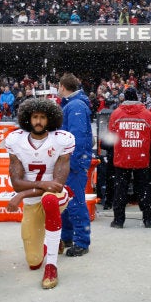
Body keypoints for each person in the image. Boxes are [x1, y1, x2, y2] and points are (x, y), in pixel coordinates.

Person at [5, 98, 74, 289]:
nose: (38, 121)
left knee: (50, 200)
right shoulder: (15, 140)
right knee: (34, 262)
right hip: (32, 199)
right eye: (34, 117)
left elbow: (57, 185)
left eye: (43, 117)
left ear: (50, 119)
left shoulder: (61, 139)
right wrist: (38, 185)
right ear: (28, 118)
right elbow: (17, 183)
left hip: (55, 195)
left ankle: (51, 265)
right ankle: (53, 240)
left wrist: (21, 194)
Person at [107, 87, 151, 228]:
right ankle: (148, 220)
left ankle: (118, 221)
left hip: (122, 158)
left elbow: (111, 135)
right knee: (144, 189)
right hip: (141, 158)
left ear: (124, 98)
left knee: (120, 190)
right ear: (137, 97)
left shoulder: (116, 114)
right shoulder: (147, 114)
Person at [57, 73, 93, 257]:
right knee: (66, 202)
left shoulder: (75, 106)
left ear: (63, 86)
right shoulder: (73, 105)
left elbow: (78, 138)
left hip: (73, 163)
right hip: (69, 162)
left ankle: (81, 241)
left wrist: (72, 163)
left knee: (75, 202)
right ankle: (67, 237)